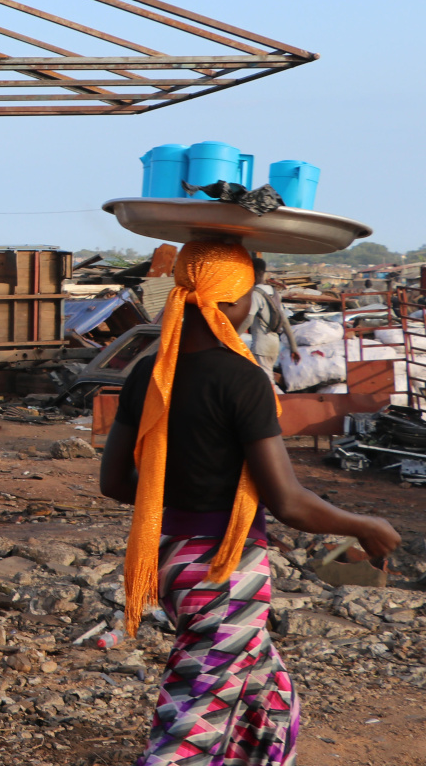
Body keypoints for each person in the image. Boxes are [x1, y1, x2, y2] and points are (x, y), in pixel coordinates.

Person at [100, 241, 400, 766]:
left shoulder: (150, 374)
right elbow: (288, 500)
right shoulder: (242, 379)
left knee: (270, 697)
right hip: (223, 570)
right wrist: (364, 525)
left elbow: (117, 482)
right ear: (233, 302)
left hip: (170, 557)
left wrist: (193, 492)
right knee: (187, 732)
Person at [248, 257, 300, 388]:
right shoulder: (274, 293)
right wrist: (294, 348)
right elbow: (285, 322)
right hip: (274, 345)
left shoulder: (256, 294)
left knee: (265, 383)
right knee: (262, 379)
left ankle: (275, 407)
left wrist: (231, 337)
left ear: (256, 273)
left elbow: (248, 320)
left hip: (261, 346)